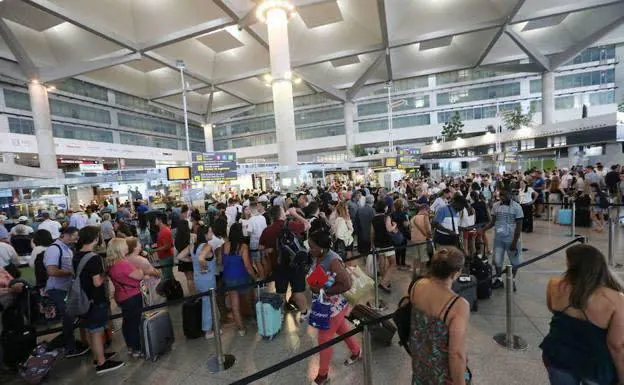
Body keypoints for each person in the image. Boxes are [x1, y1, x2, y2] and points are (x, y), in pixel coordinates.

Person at [540, 244, 624, 385]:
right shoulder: (616, 299)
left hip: (558, 355)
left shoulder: (554, 286)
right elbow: (616, 345)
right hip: (595, 365)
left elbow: (554, 310)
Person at [410, 246, 471, 385]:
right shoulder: (458, 305)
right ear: (455, 273)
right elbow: (456, 354)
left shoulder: (417, 285)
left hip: (420, 364)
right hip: (442, 374)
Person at [307, 230, 361, 385]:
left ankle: (322, 376)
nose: (309, 249)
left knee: (324, 340)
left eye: (312, 246)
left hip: (333, 307)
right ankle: (356, 351)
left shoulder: (332, 260)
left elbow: (347, 283)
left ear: (321, 248)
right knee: (341, 329)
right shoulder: (321, 256)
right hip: (329, 305)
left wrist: (324, 291)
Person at [73, 226, 124, 373]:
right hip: (94, 299)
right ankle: (101, 363)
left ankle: (98, 355)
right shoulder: (93, 258)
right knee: (96, 330)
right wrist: (106, 273)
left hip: (83, 298)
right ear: (95, 238)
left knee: (90, 329)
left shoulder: (77, 255)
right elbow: (97, 282)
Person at [43, 226, 90, 357]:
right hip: (57, 290)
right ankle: (69, 348)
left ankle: (71, 344)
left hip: (66, 289)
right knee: (68, 318)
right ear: (67, 235)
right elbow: (51, 271)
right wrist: (73, 272)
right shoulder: (54, 249)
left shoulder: (66, 249)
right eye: (75, 237)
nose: (76, 240)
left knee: (71, 318)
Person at [259, 206, 309, 315]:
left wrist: (269, 249)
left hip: (278, 265)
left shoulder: (267, 230)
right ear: (281, 214)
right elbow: (307, 224)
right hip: (295, 264)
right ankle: (304, 313)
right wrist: (294, 213)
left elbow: (261, 247)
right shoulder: (290, 226)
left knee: (281, 292)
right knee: (298, 291)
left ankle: (280, 315)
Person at [178, 226, 219, 339]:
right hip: (207, 280)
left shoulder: (192, 246)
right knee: (208, 304)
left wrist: (192, 260)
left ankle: (211, 326)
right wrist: (204, 266)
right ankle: (208, 331)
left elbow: (179, 256)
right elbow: (201, 258)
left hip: (197, 279)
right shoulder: (207, 246)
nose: (212, 233)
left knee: (206, 302)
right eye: (210, 231)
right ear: (205, 234)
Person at [106, 239, 144, 358]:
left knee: (127, 322)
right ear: (119, 248)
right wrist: (140, 269)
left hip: (121, 295)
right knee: (134, 323)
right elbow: (139, 276)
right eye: (124, 246)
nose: (127, 247)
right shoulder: (122, 263)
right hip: (132, 295)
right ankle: (137, 348)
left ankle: (130, 347)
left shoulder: (110, 263)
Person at [485, 187, 523, 291]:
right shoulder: (496, 206)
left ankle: (512, 280)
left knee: (515, 262)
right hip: (499, 238)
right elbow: (492, 222)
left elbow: (519, 226)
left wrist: (514, 242)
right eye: (501, 194)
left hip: (512, 239)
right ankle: (498, 279)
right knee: (497, 260)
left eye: (505, 194)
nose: (502, 197)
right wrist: (483, 229)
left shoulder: (517, 207)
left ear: (510, 195)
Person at [222, 223, 256, 336]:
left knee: (234, 304)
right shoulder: (243, 247)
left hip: (229, 277)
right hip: (242, 277)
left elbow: (221, 262)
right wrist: (254, 276)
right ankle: (252, 318)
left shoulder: (225, 245)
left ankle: (241, 329)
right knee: (249, 298)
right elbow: (247, 265)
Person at [371, 200, 395, 293]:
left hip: (378, 243)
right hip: (387, 242)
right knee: (392, 263)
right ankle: (384, 282)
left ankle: (384, 279)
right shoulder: (386, 217)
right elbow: (389, 229)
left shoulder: (374, 218)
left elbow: (372, 233)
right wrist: (394, 226)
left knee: (382, 262)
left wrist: (372, 244)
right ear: (385, 208)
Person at [175, 205, 194, 294]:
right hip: (188, 255)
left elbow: (176, 245)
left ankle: (192, 295)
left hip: (182, 255)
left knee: (188, 278)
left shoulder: (178, 234)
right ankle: (193, 295)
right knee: (191, 278)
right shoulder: (188, 236)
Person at [410, 204, 432, 278]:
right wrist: (430, 236)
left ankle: (414, 273)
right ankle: (422, 274)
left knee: (415, 257)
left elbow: (410, 229)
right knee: (424, 258)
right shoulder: (425, 217)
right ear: (425, 209)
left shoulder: (413, 218)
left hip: (414, 240)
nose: (428, 212)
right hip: (423, 240)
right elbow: (428, 230)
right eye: (428, 210)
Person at [151, 213, 174, 281]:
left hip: (166, 257)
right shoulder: (162, 230)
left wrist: (155, 250)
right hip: (164, 256)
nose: (154, 221)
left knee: (166, 277)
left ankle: (171, 290)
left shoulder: (164, 231)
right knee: (169, 275)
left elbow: (167, 246)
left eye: (156, 219)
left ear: (160, 220)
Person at [248, 203, 268, 279]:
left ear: (250, 210)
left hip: (254, 243)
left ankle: (262, 279)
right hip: (263, 242)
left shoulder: (251, 220)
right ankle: (266, 277)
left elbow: (249, 233)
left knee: (257, 261)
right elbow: (265, 229)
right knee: (263, 259)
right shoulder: (262, 217)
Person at [390, 199, 410, 271]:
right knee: (403, 249)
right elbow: (406, 224)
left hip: (395, 233)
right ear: (402, 206)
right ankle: (403, 263)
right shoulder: (404, 213)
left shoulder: (392, 214)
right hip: (403, 233)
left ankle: (397, 263)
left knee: (397, 249)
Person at [470, 191, 491, 257]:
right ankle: (488, 249)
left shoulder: (472, 205)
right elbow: (487, 211)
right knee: (483, 235)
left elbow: (474, 216)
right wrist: (489, 220)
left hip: (478, 223)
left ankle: (480, 253)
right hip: (485, 221)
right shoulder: (483, 202)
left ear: (472, 197)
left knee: (479, 236)